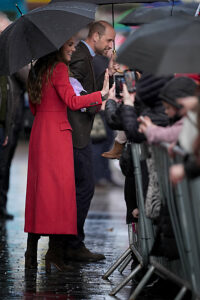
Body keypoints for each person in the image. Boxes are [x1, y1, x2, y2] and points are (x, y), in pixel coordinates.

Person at [24, 36, 109, 271]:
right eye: (69, 44)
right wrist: (100, 94)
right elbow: (72, 101)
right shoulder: (59, 68)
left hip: (40, 133)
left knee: (40, 193)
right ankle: (55, 253)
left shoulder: (37, 69)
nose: (73, 49)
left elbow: (33, 105)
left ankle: (31, 253)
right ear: (57, 46)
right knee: (61, 195)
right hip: (58, 136)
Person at [66, 21, 116, 262]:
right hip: (76, 133)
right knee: (83, 188)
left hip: (80, 130)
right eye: (108, 40)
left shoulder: (90, 56)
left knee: (83, 188)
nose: (111, 45)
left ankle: (72, 242)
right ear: (95, 36)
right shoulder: (80, 55)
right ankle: (72, 244)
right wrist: (89, 100)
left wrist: (109, 74)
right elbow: (73, 88)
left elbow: (90, 86)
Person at [0, 13, 29, 220]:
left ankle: (1, 205)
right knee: (3, 163)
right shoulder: (9, 52)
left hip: (13, 114)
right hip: (7, 116)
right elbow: (27, 77)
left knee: (6, 162)